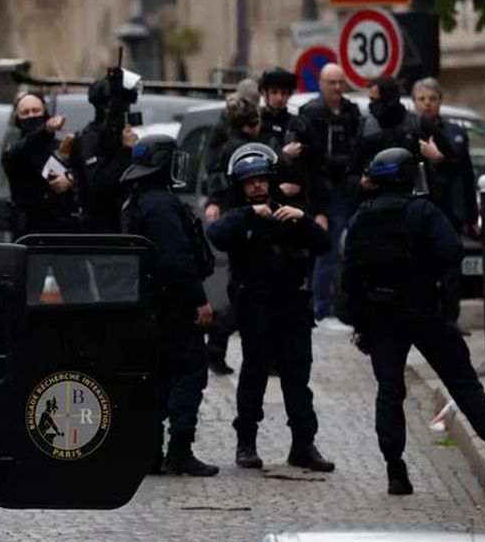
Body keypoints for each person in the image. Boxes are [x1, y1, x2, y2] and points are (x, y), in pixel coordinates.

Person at [342, 147, 485, 495]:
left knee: (389, 392)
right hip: (424, 313)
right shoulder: (422, 211)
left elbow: (350, 275)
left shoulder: (360, 217)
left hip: (381, 318)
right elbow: (451, 250)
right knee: (463, 384)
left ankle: (395, 470)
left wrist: (361, 323)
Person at [206, 143, 335, 472]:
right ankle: (246, 443)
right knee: (254, 375)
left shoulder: (286, 211)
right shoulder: (239, 215)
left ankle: (303, 444)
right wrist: (251, 213)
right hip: (256, 304)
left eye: (262, 180)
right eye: (250, 182)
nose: (258, 186)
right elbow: (217, 234)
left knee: (297, 376)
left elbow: (322, 244)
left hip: (291, 302)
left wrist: (302, 219)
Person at [121, 134, 218, 476]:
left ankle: (150, 451)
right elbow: (177, 259)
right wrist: (199, 302)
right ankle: (179, 449)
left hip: (150, 305)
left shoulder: (139, 201)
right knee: (188, 373)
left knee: (158, 378)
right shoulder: (161, 204)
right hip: (173, 305)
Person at [298, 63, 363, 327]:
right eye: (332, 83)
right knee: (327, 252)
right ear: (321, 84)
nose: (337, 88)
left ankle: (345, 307)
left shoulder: (351, 112)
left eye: (340, 83)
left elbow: (358, 147)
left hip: (350, 189)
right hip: (323, 192)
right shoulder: (312, 113)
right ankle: (321, 309)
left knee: (350, 250)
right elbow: (312, 161)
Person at [202, 95, 262, 375]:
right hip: (245, 225)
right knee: (244, 296)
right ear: (252, 124)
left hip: (234, 221)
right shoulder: (247, 150)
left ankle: (217, 347)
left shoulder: (227, 147)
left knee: (241, 290)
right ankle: (215, 346)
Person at [0, 92, 74, 237]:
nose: (32, 115)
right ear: (18, 118)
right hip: (29, 235)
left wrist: (70, 179)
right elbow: (22, 149)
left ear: (44, 113)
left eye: (36, 111)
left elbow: (84, 175)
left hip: (63, 231)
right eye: (25, 112)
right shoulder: (14, 151)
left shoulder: (61, 148)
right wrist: (45, 129)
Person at [411, 77, 478, 236]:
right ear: (414, 102)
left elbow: (466, 175)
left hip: (451, 209)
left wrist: (472, 217)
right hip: (418, 209)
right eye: (422, 99)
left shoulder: (454, 132)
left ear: (440, 101)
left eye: (432, 98)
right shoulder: (408, 132)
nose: (428, 103)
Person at [73, 76, 137, 234]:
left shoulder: (120, 136)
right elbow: (98, 183)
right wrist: (125, 151)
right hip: (98, 230)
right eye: (122, 107)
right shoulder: (90, 138)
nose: (126, 111)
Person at [256, 66, 318, 214]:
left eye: (284, 93)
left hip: (297, 203)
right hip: (264, 203)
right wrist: (282, 154)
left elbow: (315, 167)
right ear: (265, 94)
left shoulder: (300, 125)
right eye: (274, 92)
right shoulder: (257, 125)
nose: (279, 98)